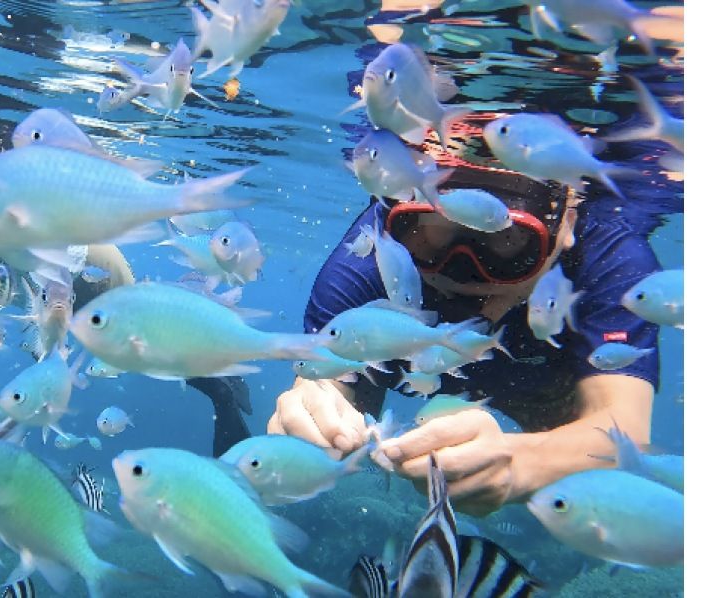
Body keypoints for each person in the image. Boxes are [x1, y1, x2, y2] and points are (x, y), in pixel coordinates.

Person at [267, 108, 680, 516]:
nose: (462, 270)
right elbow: (323, 386)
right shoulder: (371, 258)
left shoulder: (610, 257)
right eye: (431, 236)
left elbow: (622, 426)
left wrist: (519, 465)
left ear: (567, 223)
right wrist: (308, 413)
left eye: (505, 243)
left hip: (544, 386)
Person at [0, 218, 252, 457]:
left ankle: (222, 389)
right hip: (51, 277)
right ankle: (220, 376)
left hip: (86, 269)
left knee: (145, 344)